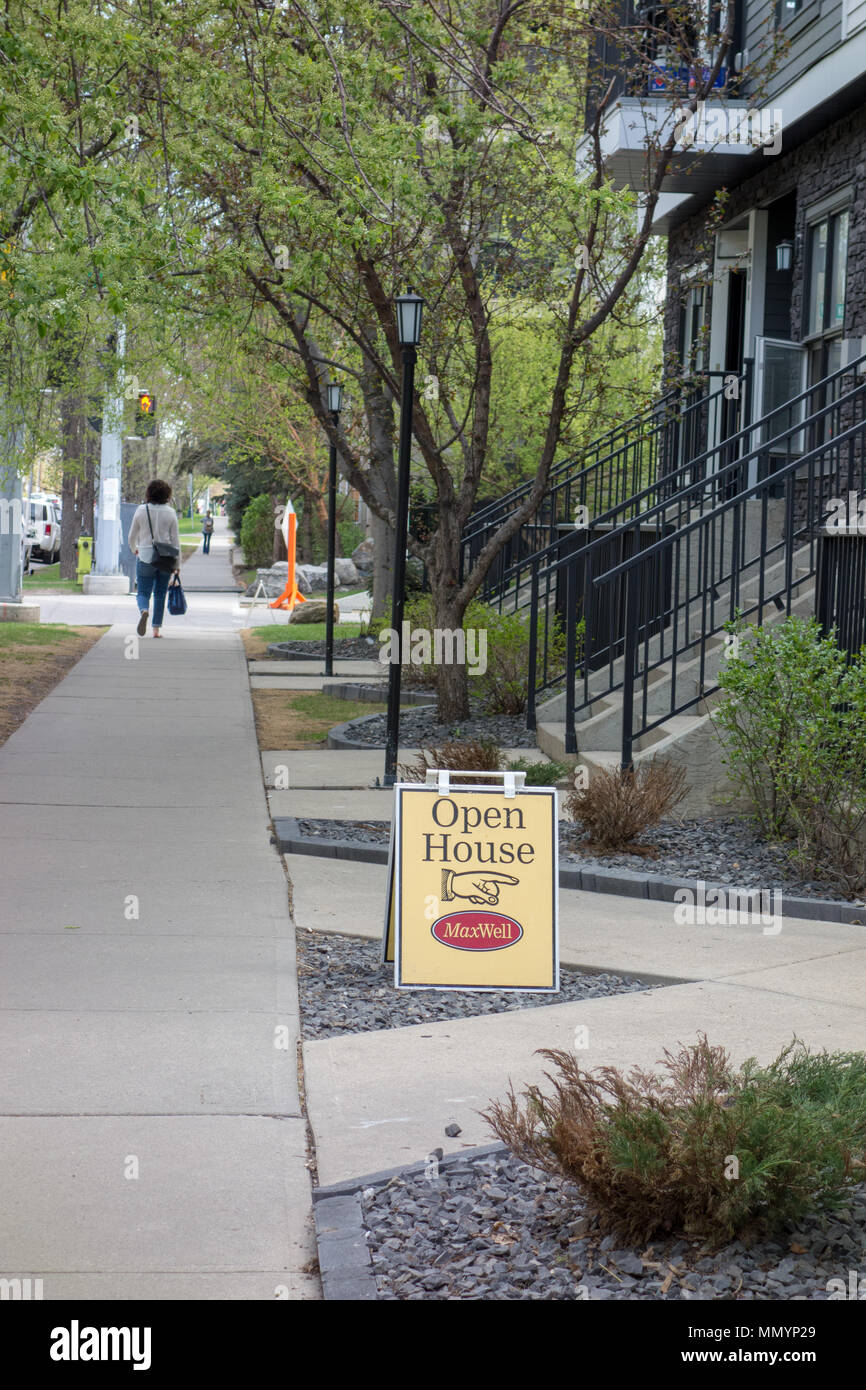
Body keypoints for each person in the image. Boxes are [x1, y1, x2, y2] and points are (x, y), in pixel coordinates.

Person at [127, 479, 180, 638]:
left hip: (144, 556)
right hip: (165, 558)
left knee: (143, 592)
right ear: (167, 495)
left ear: (149, 493)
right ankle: (156, 629)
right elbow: (175, 541)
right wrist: (177, 565)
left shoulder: (141, 510)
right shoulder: (171, 513)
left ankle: (144, 610)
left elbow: (131, 536)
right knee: (160, 593)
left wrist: (134, 549)